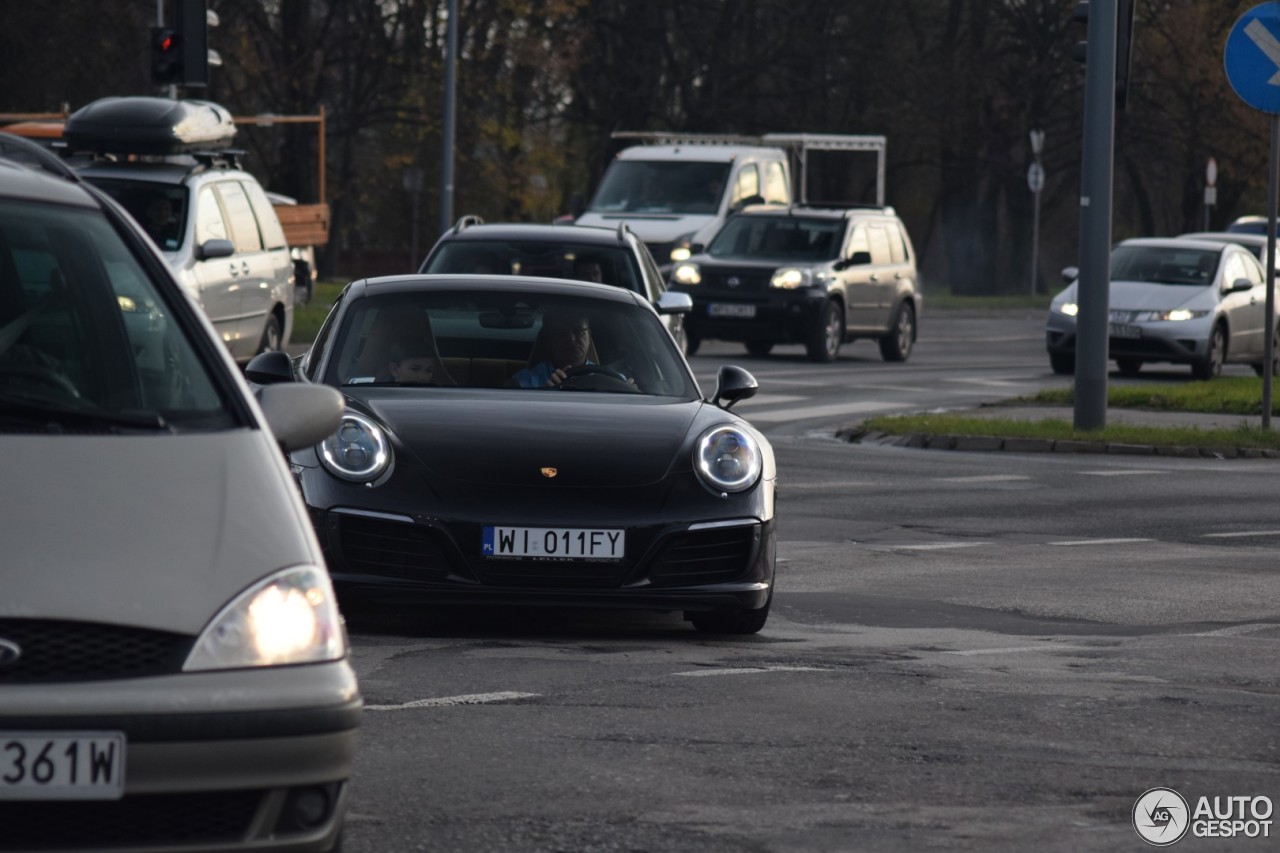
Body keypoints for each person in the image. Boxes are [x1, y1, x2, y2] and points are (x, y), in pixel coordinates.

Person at [507, 313, 593, 388]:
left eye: (578, 331)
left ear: (589, 336)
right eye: (561, 333)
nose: (571, 339)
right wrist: (544, 395)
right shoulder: (524, 382)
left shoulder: (603, 378)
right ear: (549, 340)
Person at [385, 334, 452, 385]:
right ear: (395, 370)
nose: (423, 377)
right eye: (415, 369)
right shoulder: (382, 395)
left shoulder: (434, 394)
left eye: (429, 370)